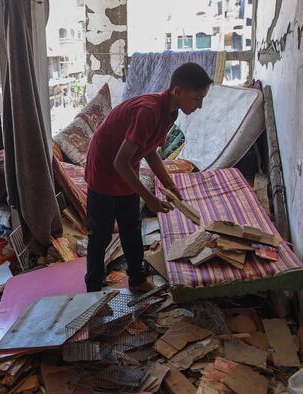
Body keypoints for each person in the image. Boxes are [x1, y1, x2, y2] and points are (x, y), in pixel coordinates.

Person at [84, 62, 212, 292]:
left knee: (131, 226)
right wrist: (150, 199)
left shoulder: (170, 112)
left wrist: (169, 183)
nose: (200, 106)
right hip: (105, 166)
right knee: (100, 235)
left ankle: (137, 280)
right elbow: (119, 162)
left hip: (125, 165)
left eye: (203, 99)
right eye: (196, 98)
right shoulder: (149, 111)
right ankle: (92, 289)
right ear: (178, 91)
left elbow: (150, 150)